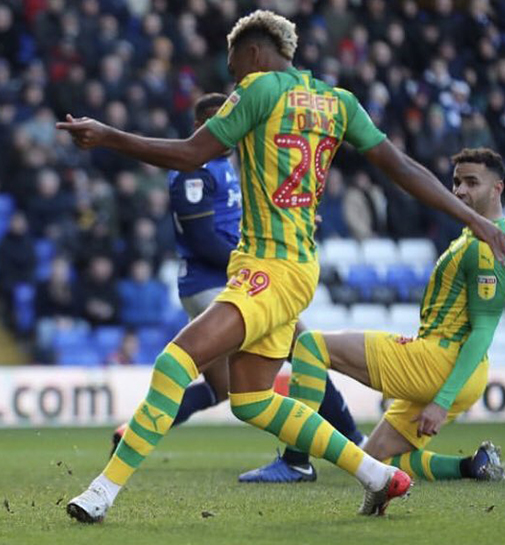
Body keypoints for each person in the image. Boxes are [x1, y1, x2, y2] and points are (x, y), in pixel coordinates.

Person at [57, 10, 505, 522]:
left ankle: (102, 492)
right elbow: (404, 168)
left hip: (269, 267)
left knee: (174, 361)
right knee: (252, 400)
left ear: (255, 53)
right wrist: (471, 219)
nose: (235, 81)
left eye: (235, 69)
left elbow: (192, 154)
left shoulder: (259, 88)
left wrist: (107, 137)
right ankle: (379, 475)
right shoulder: (339, 101)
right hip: (298, 266)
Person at [108, 93, 367, 483]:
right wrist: (254, 263)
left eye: (230, 119)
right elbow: (202, 239)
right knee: (306, 350)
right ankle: (352, 441)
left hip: (223, 282)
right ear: (198, 127)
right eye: (216, 121)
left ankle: (131, 432)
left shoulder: (227, 164)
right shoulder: (195, 170)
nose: (227, 129)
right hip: (218, 283)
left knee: (222, 388)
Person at [245, 148, 505, 483]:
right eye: (457, 182)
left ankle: (295, 461)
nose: (460, 190)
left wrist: (441, 402)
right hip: (452, 366)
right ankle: (472, 466)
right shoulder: (481, 234)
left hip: (442, 361)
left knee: (311, 346)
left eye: (472, 183)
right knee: (375, 459)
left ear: (497, 188)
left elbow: (484, 329)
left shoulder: (487, 246)